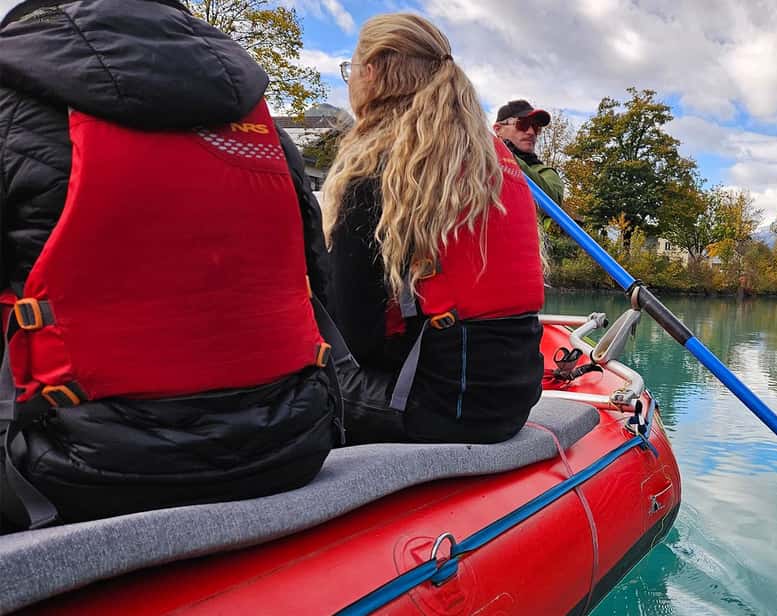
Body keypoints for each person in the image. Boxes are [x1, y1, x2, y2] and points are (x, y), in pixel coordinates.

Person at [0, 0, 338, 530]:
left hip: (80, 470)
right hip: (292, 443)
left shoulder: (9, 104)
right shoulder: (263, 120)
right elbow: (319, 280)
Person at [323, 13, 544, 445]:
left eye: (350, 69)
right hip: (514, 397)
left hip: (440, 410)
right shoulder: (492, 158)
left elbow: (355, 336)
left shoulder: (377, 163)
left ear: (371, 72)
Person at [494, 100, 564, 206]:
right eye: (522, 124)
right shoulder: (479, 161)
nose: (531, 132)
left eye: (536, 127)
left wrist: (506, 156)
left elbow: (552, 203)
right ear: (498, 129)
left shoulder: (545, 173)